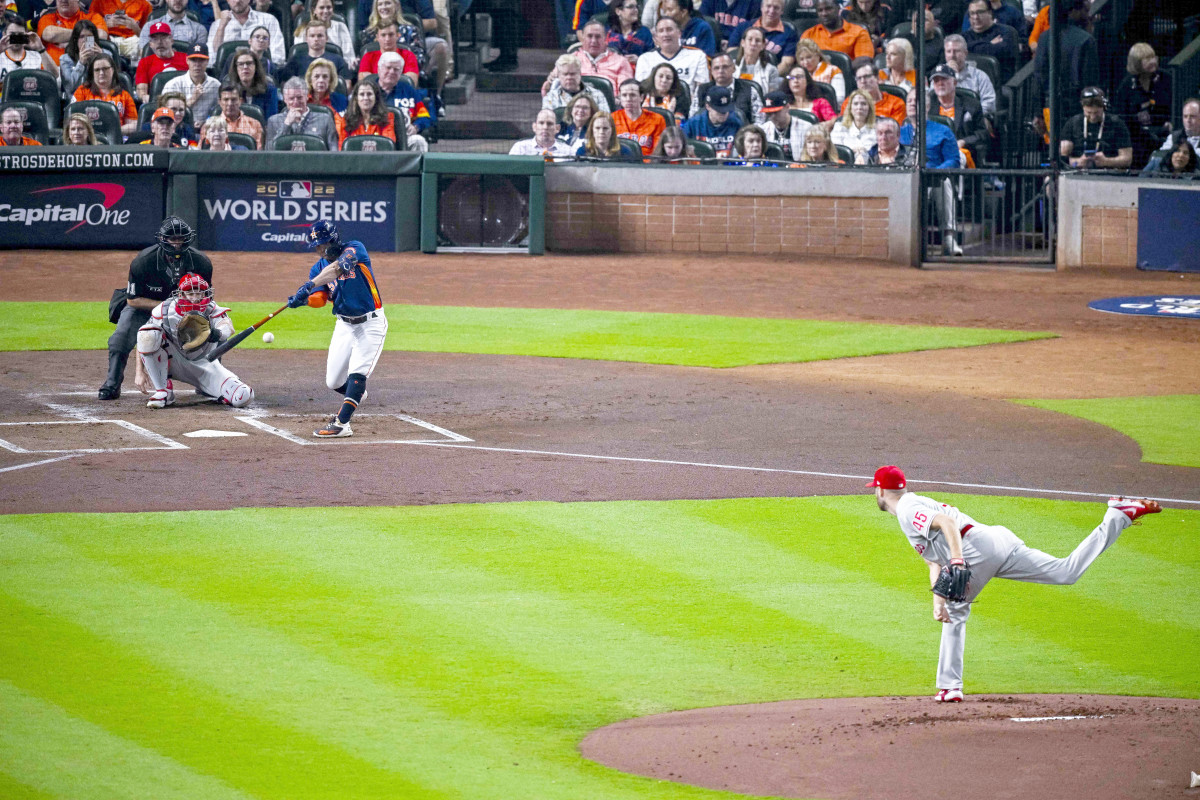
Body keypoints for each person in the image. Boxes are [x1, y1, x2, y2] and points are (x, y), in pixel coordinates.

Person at [866, 464, 1162, 703]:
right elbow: (933, 561)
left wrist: (957, 560)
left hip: (975, 548)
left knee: (958, 614)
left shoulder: (907, 508)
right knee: (1065, 572)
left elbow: (946, 522)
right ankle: (1118, 515)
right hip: (995, 542)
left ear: (880, 489)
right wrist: (937, 600)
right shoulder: (911, 506)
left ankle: (949, 687)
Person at [284, 221, 387, 438]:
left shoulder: (354, 249)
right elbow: (320, 299)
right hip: (344, 325)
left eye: (322, 245)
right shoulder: (318, 267)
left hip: (371, 323)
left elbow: (338, 268)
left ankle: (341, 424)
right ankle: (357, 394)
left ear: (333, 240)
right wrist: (304, 300)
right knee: (333, 381)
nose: (320, 250)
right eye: (317, 247)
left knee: (357, 372)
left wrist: (309, 284)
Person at [99, 216, 214, 401]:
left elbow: (206, 298)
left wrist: (194, 315)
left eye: (181, 238)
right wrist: (167, 306)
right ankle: (111, 385)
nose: (177, 243)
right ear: (163, 239)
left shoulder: (200, 262)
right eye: (172, 238)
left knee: (209, 334)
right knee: (119, 339)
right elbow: (133, 300)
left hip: (184, 310)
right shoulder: (144, 261)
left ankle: (208, 384)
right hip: (144, 307)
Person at [134, 272, 253, 409]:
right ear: (181, 294)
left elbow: (227, 327)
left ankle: (219, 392)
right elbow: (143, 338)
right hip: (173, 361)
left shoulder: (211, 309)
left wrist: (217, 333)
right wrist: (139, 371)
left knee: (243, 396)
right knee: (148, 333)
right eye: (191, 294)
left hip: (205, 366)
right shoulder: (165, 310)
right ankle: (163, 391)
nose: (196, 298)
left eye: (199, 293)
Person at [1031, 0, 1096, 143]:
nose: (1087, 14)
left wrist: (1037, 112)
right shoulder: (1086, 40)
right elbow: (1090, 81)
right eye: (1084, 10)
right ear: (1073, 11)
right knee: (1075, 150)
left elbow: (1038, 77)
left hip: (1050, 105)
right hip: (1078, 108)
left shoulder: (1044, 37)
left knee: (1051, 153)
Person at [1114, 43, 1172, 171]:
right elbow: (1122, 117)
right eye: (1147, 59)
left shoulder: (1166, 79)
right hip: (1137, 138)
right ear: (1136, 63)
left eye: (1153, 57)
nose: (1153, 61)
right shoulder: (1127, 85)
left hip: (1163, 135)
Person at [635, 16, 708, 102]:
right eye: (661, 31)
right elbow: (641, 90)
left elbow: (702, 89)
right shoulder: (645, 59)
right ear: (656, 37)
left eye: (669, 29)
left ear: (679, 33)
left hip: (688, 107)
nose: (665, 34)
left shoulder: (697, 56)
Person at [1060, 86, 1132, 171]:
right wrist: (1078, 162)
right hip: (1078, 172)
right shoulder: (1072, 123)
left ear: (1103, 107)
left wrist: (1106, 161)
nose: (1093, 117)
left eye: (1097, 112)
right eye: (1089, 112)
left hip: (1109, 173)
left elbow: (1127, 159)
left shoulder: (1117, 123)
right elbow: (1062, 160)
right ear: (1083, 107)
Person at [375, 50, 433, 150]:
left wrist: (416, 126)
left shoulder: (409, 91)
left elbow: (424, 116)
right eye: (388, 67)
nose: (392, 72)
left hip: (404, 137)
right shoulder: (367, 90)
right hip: (376, 137)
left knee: (419, 141)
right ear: (379, 69)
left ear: (401, 72)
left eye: (396, 69)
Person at [927, 62, 983, 165]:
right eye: (936, 80)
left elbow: (982, 134)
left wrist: (963, 141)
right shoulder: (927, 105)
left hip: (960, 151)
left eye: (944, 79)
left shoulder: (971, 104)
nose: (940, 83)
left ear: (955, 82)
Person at [73, 52, 138, 137]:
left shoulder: (124, 95)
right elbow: (72, 118)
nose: (101, 73)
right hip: (87, 139)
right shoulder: (81, 91)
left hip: (116, 139)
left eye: (105, 69)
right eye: (97, 70)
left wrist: (114, 131)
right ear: (92, 73)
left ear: (113, 70)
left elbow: (134, 125)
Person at [726, 0, 796, 78]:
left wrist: (764, 77)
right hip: (740, 75)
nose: (771, 11)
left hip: (771, 78)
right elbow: (732, 53)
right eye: (768, 6)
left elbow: (786, 64)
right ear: (761, 7)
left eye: (776, 8)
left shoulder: (789, 33)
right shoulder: (743, 26)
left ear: (782, 11)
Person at [562, 19, 633, 93]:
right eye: (589, 36)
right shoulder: (569, 61)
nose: (593, 41)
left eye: (598, 36)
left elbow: (626, 92)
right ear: (582, 37)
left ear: (605, 38)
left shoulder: (621, 62)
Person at [267, 76, 338, 149]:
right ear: (285, 99)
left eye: (299, 97)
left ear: (307, 97)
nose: (296, 102)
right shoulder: (273, 121)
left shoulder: (325, 120)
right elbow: (269, 152)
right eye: (291, 98)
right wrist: (287, 124)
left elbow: (334, 153)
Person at [961, 0, 1017, 86]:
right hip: (969, 84)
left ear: (990, 13)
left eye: (980, 12)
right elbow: (958, 52)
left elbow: (998, 52)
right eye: (972, 13)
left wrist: (972, 47)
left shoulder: (1006, 32)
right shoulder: (964, 37)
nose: (976, 17)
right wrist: (989, 44)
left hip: (998, 84)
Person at [209, 0, 285, 63]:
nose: (237, 1)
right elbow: (212, 58)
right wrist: (222, 27)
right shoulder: (217, 25)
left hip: (261, 72)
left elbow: (278, 55)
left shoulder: (269, 20)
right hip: (227, 75)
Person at [161, 44, 220, 123]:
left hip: (207, 130)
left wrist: (206, 124)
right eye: (193, 60)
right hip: (179, 128)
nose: (197, 64)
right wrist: (193, 99)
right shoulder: (173, 85)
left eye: (201, 60)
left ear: (207, 61)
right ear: (187, 60)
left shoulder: (216, 85)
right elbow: (165, 114)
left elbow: (220, 112)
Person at [37, 0, 107, 66]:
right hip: (53, 71)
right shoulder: (47, 17)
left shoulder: (92, 17)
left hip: (84, 67)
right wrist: (83, 35)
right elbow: (50, 35)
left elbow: (101, 35)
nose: (63, 0)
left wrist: (69, 41)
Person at [281, 19, 349, 84]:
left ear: (326, 38)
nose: (316, 39)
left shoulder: (338, 60)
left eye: (320, 36)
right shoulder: (295, 61)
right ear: (306, 38)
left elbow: (346, 85)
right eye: (312, 36)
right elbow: (285, 86)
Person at [694, 52, 758, 122]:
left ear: (734, 68)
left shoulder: (750, 89)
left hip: (742, 131)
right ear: (711, 71)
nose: (720, 71)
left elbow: (760, 122)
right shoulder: (701, 90)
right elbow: (693, 117)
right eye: (716, 68)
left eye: (725, 67)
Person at [134, 21, 188, 103]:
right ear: (151, 44)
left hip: (184, 101)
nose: (159, 42)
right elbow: (141, 91)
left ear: (171, 40)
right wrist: (146, 98)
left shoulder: (186, 58)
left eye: (163, 37)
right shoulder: (144, 62)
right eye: (155, 39)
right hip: (156, 102)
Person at [681, 84, 741, 156]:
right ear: (708, 106)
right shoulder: (693, 124)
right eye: (719, 111)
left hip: (729, 165)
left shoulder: (736, 123)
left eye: (726, 110)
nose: (724, 114)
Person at [200, 82, 265, 148]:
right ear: (220, 102)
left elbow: (258, 155)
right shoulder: (207, 127)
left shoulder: (255, 125)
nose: (230, 103)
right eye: (226, 100)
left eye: (233, 100)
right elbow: (201, 154)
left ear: (240, 101)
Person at [801, 0, 872, 61]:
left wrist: (837, 71)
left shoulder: (858, 32)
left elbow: (864, 59)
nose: (824, 13)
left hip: (848, 75)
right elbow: (802, 60)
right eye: (820, 10)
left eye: (828, 9)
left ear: (838, 9)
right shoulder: (808, 34)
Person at [942, 34, 994, 116]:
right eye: (949, 51)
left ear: (965, 53)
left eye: (956, 51)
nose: (952, 55)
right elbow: (933, 102)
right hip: (946, 119)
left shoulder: (980, 76)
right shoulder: (939, 77)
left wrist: (970, 116)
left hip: (974, 121)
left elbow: (989, 104)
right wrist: (949, 77)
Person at [613, 76, 667, 155]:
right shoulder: (611, 119)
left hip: (648, 165)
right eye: (624, 95)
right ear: (620, 98)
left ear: (641, 97)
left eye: (632, 95)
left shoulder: (657, 120)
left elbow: (658, 152)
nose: (628, 99)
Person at [336, 77, 395, 147]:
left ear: (376, 98)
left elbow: (387, 145)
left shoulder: (387, 117)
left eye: (369, 94)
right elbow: (342, 148)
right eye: (362, 94)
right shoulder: (346, 120)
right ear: (356, 98)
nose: (366, 98)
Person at [356, 20, 419, 85]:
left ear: (398, 36)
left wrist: (377, 78)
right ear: (377, 37)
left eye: (391, 35)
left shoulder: (409, 55)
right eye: (383, 35)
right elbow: (363, 83)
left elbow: (412, 81)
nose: (387, 39)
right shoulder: (368, 56)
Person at [297, 0, 355, 70]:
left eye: (328, 7)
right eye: (321, 8)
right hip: (309, 69)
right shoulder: (303, 30)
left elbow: (349, 57)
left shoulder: (341, 27)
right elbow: (300, 57)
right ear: (314, 10)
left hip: (337, 68)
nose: (326, 11)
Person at [844, 56, 904, 123]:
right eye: (859, 78)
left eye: (867, 77)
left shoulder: (896, 104)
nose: (863, 81)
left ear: (877, 78)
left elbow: (895, 130)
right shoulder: (849, 103)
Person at [1, 14, 56, 87]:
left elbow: (54, 75)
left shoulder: (36, 56)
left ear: (26, 35)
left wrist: (41, 48)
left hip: (31, 96)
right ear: (4, 34)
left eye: (20, 34)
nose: (16, 38)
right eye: (13, 34)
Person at [544, 53, 610, 112]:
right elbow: (547, 123)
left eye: (572, 74)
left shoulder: (597, 95)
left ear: (579, 73)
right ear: (558, 76)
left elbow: (606, 121)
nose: (569, 77)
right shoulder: (550, 98)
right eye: (565, 74)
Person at [225, 48, 279, 119]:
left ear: (256, 67)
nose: (245, 67)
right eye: (241, 64)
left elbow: (271, 120)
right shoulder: (228, 91)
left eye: (249, 63)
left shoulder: (269, 90)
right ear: (236, 68)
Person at [138, 0, 206, 51]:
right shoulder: (149, 26)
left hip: (185, 69)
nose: (178, 0)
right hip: (157, 69)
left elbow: (198, 59)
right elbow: (144, 55)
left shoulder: (199, 30)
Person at [57, 19, 101, 98]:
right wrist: (80, 64)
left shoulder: (106, 54)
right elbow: (69, 88)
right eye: (81, 37)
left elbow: (113, 83)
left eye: (89, 37)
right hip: (76, 101)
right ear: (75, 39)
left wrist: (101, 59)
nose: (84, 41)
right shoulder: (65, 59)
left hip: (99, 97)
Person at [1152, 98, 1200, 167]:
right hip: (1176, 174)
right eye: (1185, 116)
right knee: (1156, 161)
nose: (1188, 120)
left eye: (1192, 117)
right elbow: (1161, 155)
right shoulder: (1175, 136)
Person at [795, 37, 843, 104]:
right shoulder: (797, 75)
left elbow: (839, 99)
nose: (805, 62)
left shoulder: (833, 70)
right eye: (802, 59)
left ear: (818, 56)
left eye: (809, 57)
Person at [830, 87, 874, 160]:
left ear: (870, 108)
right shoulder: (839, 127)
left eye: (863, 104)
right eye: (855, 104)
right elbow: (835, 150)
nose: (859, 107)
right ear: (850, 108)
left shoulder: (878, 129)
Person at [732, 26, 777, 97]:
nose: (753, 43)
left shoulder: (771, 70)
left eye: (757, 40)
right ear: (743, 43)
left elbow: (771, 98)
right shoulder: (730, 66)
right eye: (750, 39)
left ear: (763, 45)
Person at [758, 89, 803, 159]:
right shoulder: (763, 129)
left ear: (787, 107)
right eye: (769, 113)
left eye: (776, 112)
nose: (772, 117)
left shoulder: (805, 128)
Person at [510, 108, 575, 156]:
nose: (545, 127)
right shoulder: (520, 148)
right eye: (541, 123)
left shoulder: (568, 152)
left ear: (557, 128)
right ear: (534, 127)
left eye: (549, 124)